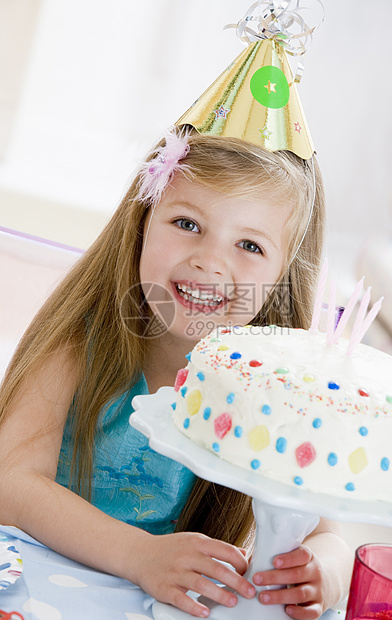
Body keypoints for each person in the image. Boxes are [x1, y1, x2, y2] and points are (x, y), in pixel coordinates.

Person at [0, 128, 352, 618]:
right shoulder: (83, 339)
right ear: (143, 221)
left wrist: (321, 572)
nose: (210, 261)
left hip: (152, 600)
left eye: (250, 245)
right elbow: (11, 482)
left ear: (281, 275)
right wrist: (140, 555)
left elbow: (326, 534)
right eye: (187, 223)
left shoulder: (272, 388)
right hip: (30, 569)